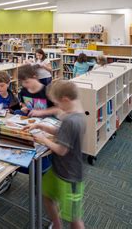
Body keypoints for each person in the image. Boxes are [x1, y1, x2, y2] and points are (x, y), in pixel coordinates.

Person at [24, 80, 86, 229]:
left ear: (65, 100)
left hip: (70, 175)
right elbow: (63, 134)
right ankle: (57, 225)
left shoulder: (71, 121)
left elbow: (61, 150)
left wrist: (43, 139)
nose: (57, 107)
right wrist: (40, 125)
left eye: (57, 104)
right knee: (45, 194)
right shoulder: (77, 115)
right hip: (58, 169)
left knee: (74, 219)